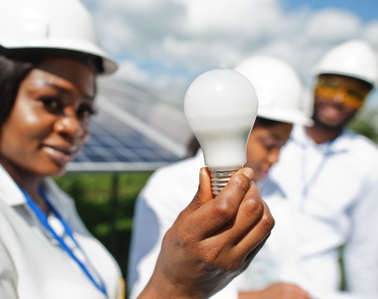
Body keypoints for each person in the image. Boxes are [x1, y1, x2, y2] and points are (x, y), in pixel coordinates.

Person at [0, 0, 274, 298]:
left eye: (84, 110)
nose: (73, 126)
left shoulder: (52, 204)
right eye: (51, 102)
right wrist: (174, 287)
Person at [128, 55, 312, 298]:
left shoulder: (276, 189)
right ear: (238, 122)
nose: (275, 158)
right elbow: (148, 287)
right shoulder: (168, 187)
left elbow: (290, 265)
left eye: (283, 146)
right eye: (269, 144)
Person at [253, 39, 378, 299]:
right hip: (254, 283)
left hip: (319, 290)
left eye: (353, 93)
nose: (337, 99)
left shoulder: (368, 159)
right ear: (316, 84)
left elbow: (366, 248)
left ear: (363, 101)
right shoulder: (271, 139)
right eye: (331, 86)